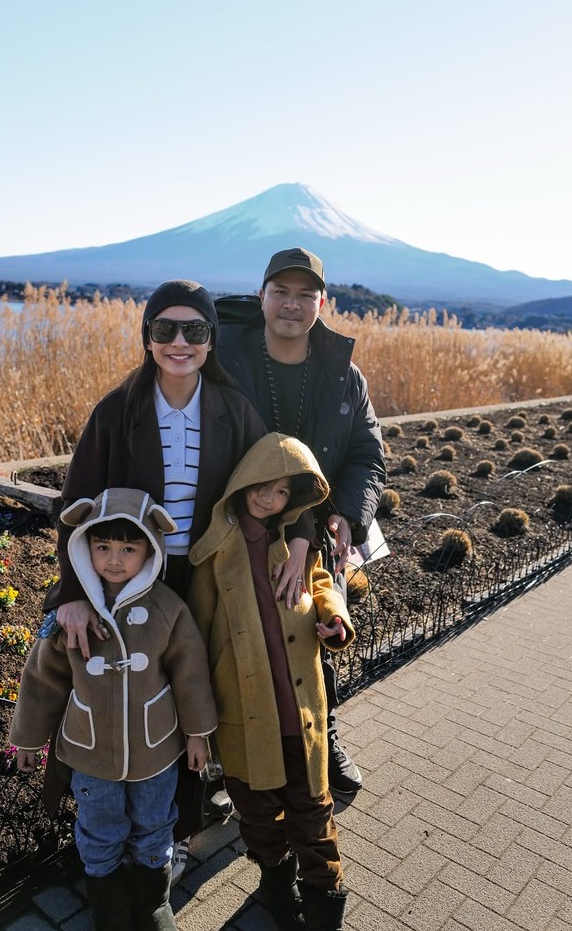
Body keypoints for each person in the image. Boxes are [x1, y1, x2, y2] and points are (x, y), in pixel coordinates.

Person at [50, 280, 309, 872]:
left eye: (194, 329)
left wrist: (300, 535)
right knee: (133, 695)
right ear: (147, 337)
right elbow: (74, 504)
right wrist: (74, 592)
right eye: (164, 328)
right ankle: (107, 830)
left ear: (211, 340)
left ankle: (177, 829)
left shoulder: (233, 410)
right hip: (127, 583)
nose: (179, 342)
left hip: (209, 578)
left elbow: (275, 478)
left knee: (194, 693)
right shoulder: (117, 411)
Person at [216, 247, 386, 794]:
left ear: (322, 303)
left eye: (305, 295)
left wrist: (349, 519)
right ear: (261, 296)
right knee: (236, 636)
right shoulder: (226, 362)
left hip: (317, 529)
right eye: (281, 292)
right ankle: (228, 757)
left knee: (315, 632)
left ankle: (323, 736)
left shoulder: (343, 375)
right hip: (241, 527)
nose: (292, 304)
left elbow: (367, 456)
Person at [9, 487, 218, 930]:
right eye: (102, 547)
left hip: (155, 749)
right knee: (98, 828)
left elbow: (191, 675)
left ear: (151, 549)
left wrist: (198, 733)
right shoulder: (73, 612)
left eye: (128, 548)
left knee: (154, 825)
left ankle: (153, 903)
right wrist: (28, 738)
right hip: (91, 752)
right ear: (85, 546)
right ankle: (109, 910)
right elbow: (43, 678)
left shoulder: (167, 608)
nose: (115, 560)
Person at [188, 432, 355, 931]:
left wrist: (334, 618)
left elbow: (321, 584)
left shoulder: (295, 544)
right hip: (244, 713)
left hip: (301, 712)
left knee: (314, 814)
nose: (269, 497)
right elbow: (197, 634)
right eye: (262, 484)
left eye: (282, 491)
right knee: (259, 815)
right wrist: (198, 716)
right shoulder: (214, 552)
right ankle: (277, 883)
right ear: (242, 482)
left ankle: (324, 903)